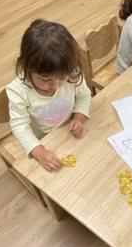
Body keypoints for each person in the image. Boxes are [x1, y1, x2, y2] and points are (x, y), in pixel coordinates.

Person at [6, 19, 91, 172]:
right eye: (45, 79)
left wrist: (79, 118)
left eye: (62, 78)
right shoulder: (18, 90)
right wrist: (39, 152)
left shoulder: (71, 71)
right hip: (42, 141)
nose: (56, 85)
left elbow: (84, 95)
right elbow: (20, 126)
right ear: (27, 67)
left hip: (68, 133)